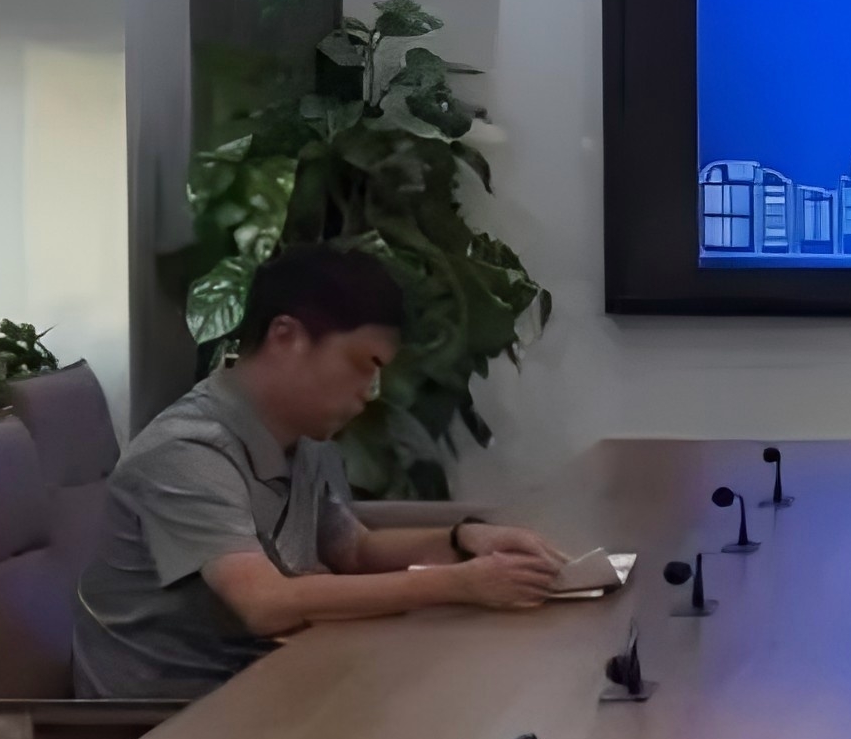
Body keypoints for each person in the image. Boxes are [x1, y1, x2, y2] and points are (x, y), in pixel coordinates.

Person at [74, 246, 566, 700]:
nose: (370, 390)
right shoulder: (186, 451)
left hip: (266, 683)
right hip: (162, 723)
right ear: (286, 337)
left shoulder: (301, 435)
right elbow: (264, 603)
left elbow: (352, 550)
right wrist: (460, 583)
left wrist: (465, 540)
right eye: (361, 364)